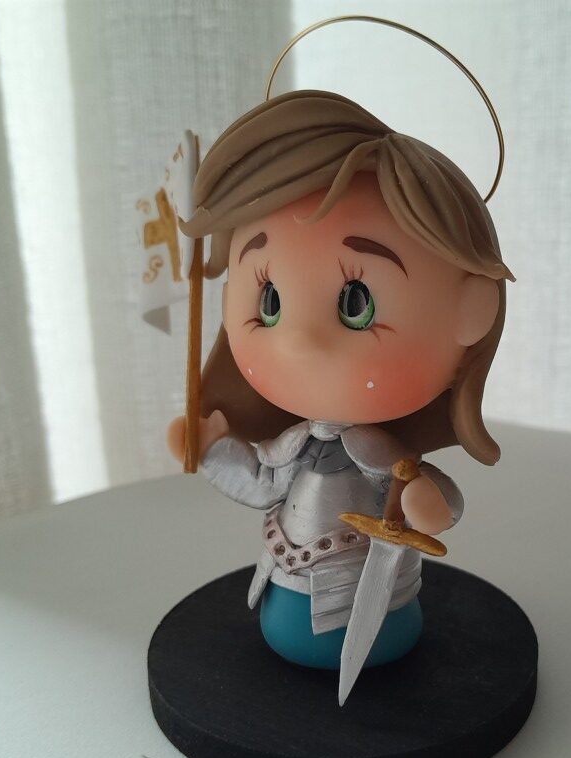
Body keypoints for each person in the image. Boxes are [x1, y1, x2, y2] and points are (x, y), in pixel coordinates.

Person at [167, 89, 513, 670]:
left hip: (374, 598)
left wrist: (427, 503)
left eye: (356, 304)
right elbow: (261, 483)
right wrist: (211, 448)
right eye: (269, 303)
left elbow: (424, 492)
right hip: (287, 580)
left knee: (379, 626)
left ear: (469, 312)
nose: (299, 342)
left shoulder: (387, 460)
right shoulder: (292, 446)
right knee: (287, 620)